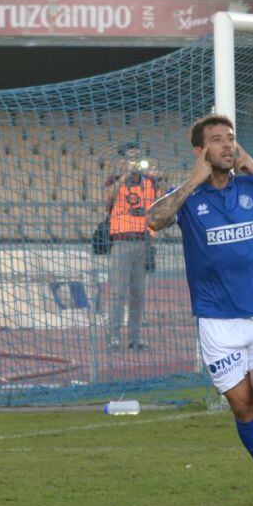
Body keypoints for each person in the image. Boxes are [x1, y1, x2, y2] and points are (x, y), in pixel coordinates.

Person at [146, 114, 253, 506]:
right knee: (243, 405)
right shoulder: (188, 198)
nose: (227, 145)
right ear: (200, 150)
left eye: (231, 139)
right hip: (216, 321)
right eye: (217, 140)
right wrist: (192, 181)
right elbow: (154, 220)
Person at [104, 141, 158, 351]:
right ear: (122, 160)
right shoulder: (115, 180)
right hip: (122, 242)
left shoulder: (150, 182)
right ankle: (114, 337)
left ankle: (134, 339)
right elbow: (107, 199)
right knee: (118, 293)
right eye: (129, 157)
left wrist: (156, 176)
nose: (133, 161)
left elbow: (161, 201)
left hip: (144, 241)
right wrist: (125, 176)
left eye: (137, 157)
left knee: (138, 294)